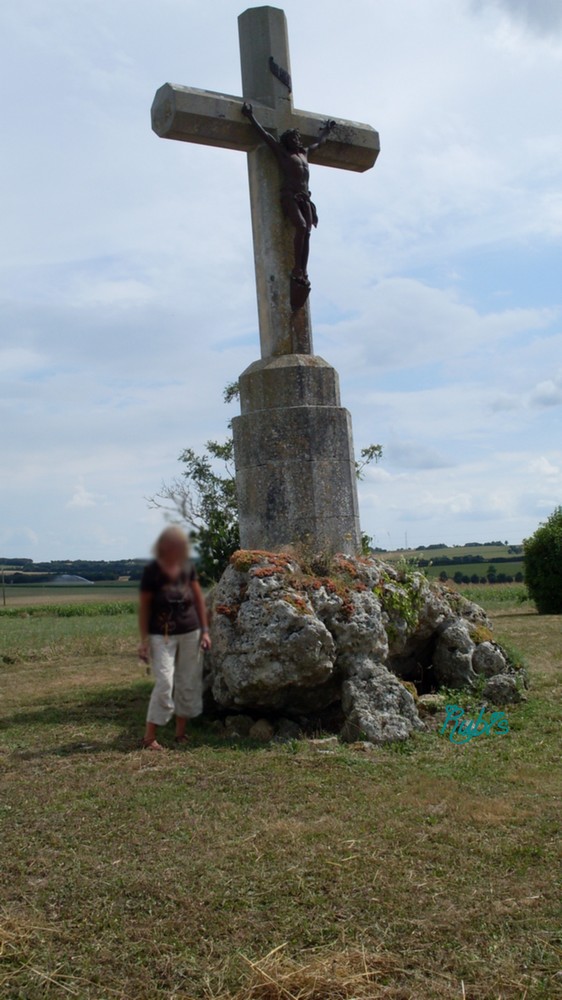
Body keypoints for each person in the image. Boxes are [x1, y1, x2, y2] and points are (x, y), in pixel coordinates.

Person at [241, 102, 335, 287]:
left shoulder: (304, 153)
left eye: (298, 137)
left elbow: (319, 143)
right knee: (300, 227)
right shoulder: (283, 154)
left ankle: (303, 269)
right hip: (290, 195)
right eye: (294, 138)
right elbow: (266, 136)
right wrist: (250, 117)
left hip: (305, 197)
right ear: (287, 141)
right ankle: (297, 269)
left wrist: (327, 131)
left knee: (307, 232)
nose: (297, 140)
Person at [138, 526, 211, 750]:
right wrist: (143, 641)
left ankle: (180, 733)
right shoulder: (152, 572)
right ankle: (149, 738)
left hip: (190, 632)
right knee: (164, 682)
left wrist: (205, 631)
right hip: (162, 635)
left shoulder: (187, 568)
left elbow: (199, 600)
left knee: (187, 682)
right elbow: (144, 608)